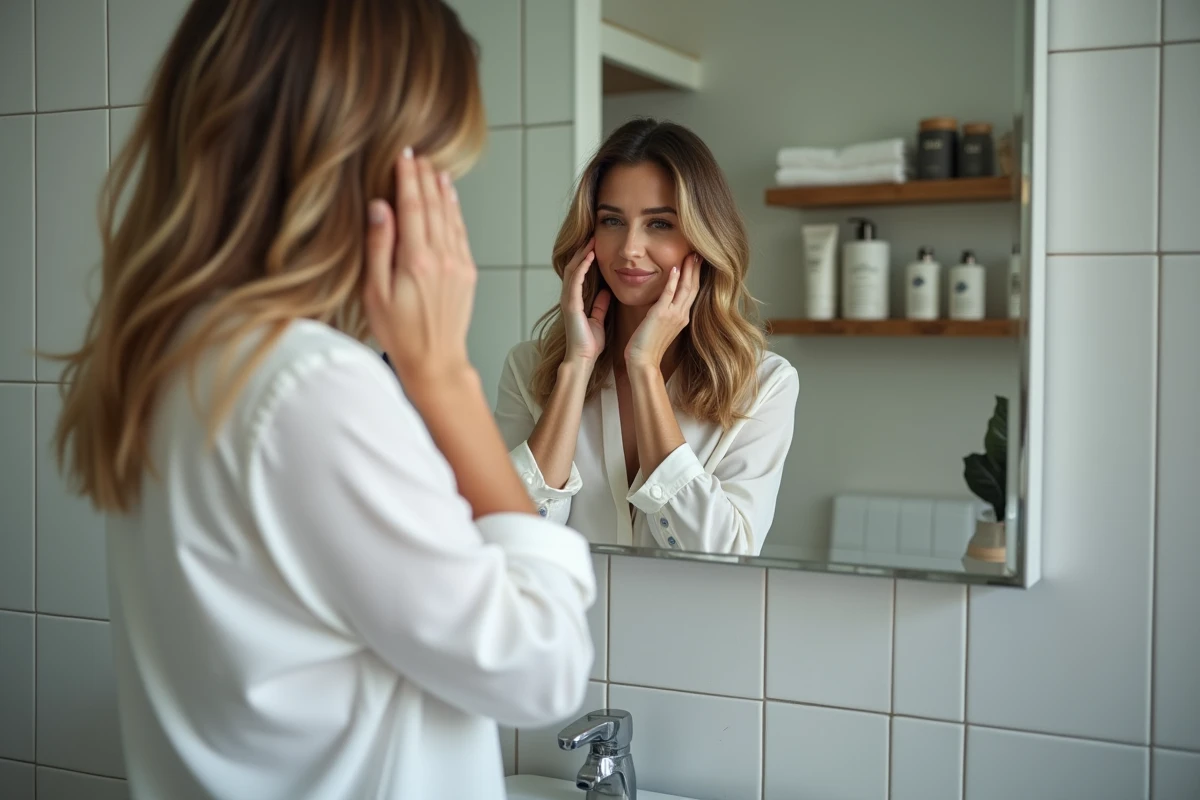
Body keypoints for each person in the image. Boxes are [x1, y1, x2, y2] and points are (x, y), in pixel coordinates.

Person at [50, 2, 594, 799]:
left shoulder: (181, 356)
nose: (445, 206)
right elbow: (542, 670)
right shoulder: (309, 389)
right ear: (368, 172)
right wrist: (444, 376)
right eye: (435, 172)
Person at [495, 118, 799, 557]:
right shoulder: (529, 370)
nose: (630, 248)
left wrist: (644, 369)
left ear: (703, 238)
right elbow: (509, 534)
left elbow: (726, 554)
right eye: (612, 220)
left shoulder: (762, 385)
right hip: (563, 625)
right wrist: (576, 368)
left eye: (659, 224)